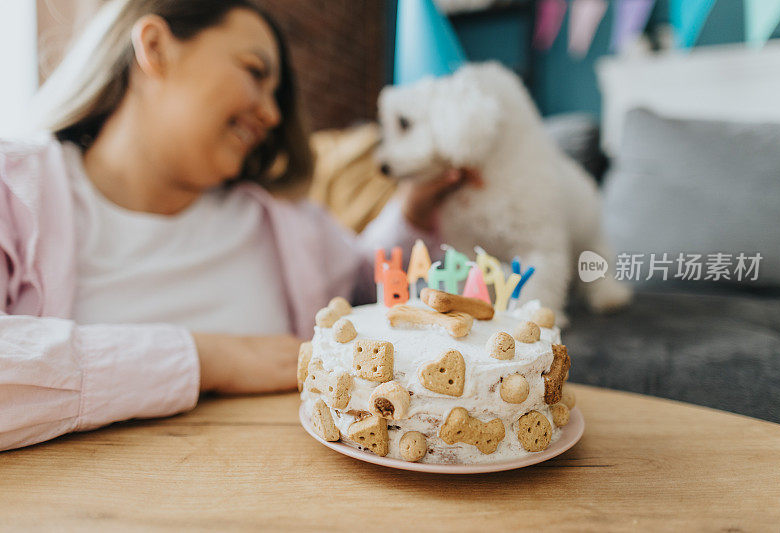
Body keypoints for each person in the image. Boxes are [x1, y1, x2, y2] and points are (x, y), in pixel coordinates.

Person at [0, 0, 474, 451]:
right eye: (254, 71)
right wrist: (210, 360)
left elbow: (369, 288)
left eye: (276, 97)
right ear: (155, 47)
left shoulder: (283, 221)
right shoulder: (15, 191)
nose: (271, 114)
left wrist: (410, 212)